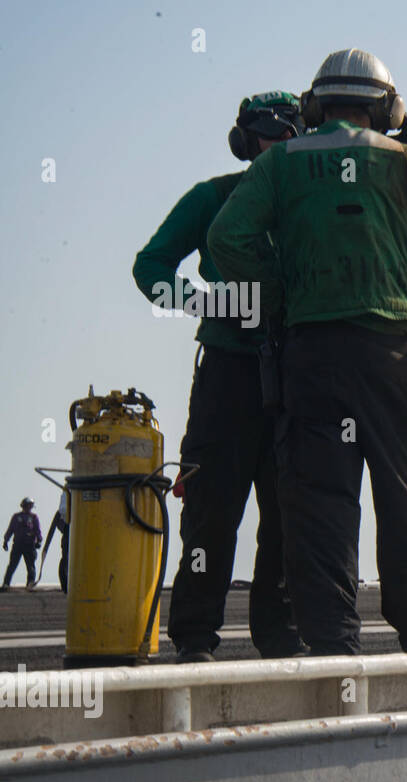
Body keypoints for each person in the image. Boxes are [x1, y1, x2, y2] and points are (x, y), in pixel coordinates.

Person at [208, 49, 407, 656]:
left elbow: (227, 239)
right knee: (405, 501)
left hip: (310, 359)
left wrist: (284, 287)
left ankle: (334, 647)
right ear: (386, 108)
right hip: (391, 357)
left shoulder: (280, 163)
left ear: (313, 106)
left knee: (317, 510)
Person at [133, 91, 307, 663]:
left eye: (290, 134)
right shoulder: (213, 198)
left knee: (288, 511)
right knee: (211, 510)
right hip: (229, 374)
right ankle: (194, 635)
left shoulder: (310, 206)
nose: (280, 144)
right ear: (246, 142)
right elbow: (151, 266)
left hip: (295, 373)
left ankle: (279, 633)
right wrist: (209, 304)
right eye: (269, 135)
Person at [2, 498, 42, 592]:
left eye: (30, 506)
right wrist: (6, 541)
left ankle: (30, 584)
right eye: (27, 505)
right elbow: (10, 529)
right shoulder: (16, 517)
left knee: (30, 566)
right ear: (23, 506)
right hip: (18, 545)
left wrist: (39, 541)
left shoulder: (33, 517)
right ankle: (6, 583)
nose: (29, 508)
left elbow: (37, 530)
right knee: (12, 565)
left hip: (29, 545)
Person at [41, 492, 69, 594]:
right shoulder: (66, 510)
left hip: (69, 536)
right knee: (66, 560)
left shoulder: (64, 511)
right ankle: (66, 586)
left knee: (66, 560)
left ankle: (66, 586)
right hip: (69, 536)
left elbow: (54, 527)